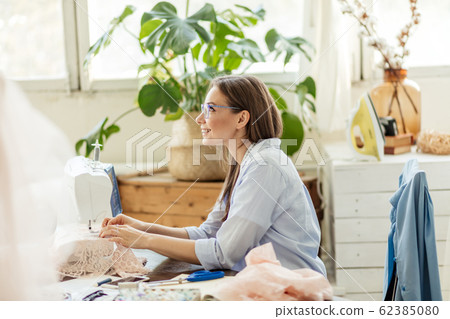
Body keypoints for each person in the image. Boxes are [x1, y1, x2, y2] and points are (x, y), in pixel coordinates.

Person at [100, 75, 326, 276]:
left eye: (211, 110)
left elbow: (223, 253)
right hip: (267, 280)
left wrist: (145, 240)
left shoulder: (264, 167)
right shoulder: (244, 163)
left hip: (292, 287)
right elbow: (208, 232)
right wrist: (142, 228)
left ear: (241, 119)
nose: (199, 119)